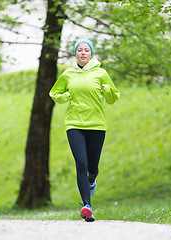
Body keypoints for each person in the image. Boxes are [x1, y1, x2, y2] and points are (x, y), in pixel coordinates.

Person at [49, 39, 120, 222]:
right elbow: (54, 93)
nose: (83, 53)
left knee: (92, 168)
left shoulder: (101, 73)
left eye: (86, 50)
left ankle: (91, 181)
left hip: (97, 125)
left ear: (91, 53)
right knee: (81, 163)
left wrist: (107, 90)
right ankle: (87, 206)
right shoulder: (68, 74)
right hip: (74, 124)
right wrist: (65, 96)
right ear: (76, 53)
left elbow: (113, 97)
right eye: (79, 50)